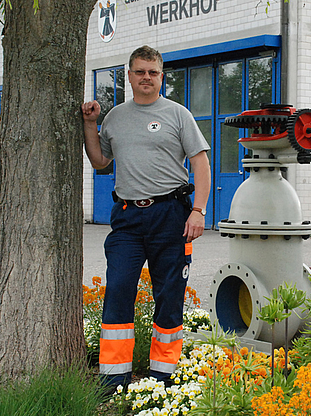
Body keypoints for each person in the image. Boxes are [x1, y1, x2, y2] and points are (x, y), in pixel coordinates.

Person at [82, 46, 211, 391]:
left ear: (161, 76)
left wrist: (198, 211)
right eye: (140, 72)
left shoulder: (178, 114)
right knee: (119, 288)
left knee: (169, 294)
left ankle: (163, 375)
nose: (146, 78)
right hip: (126, 217)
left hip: (171, 214)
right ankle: (113, 377)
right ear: (129, 76)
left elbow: (200, 163)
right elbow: (99, 161)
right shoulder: (115, 118)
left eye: (153, 72)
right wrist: (90, 124)